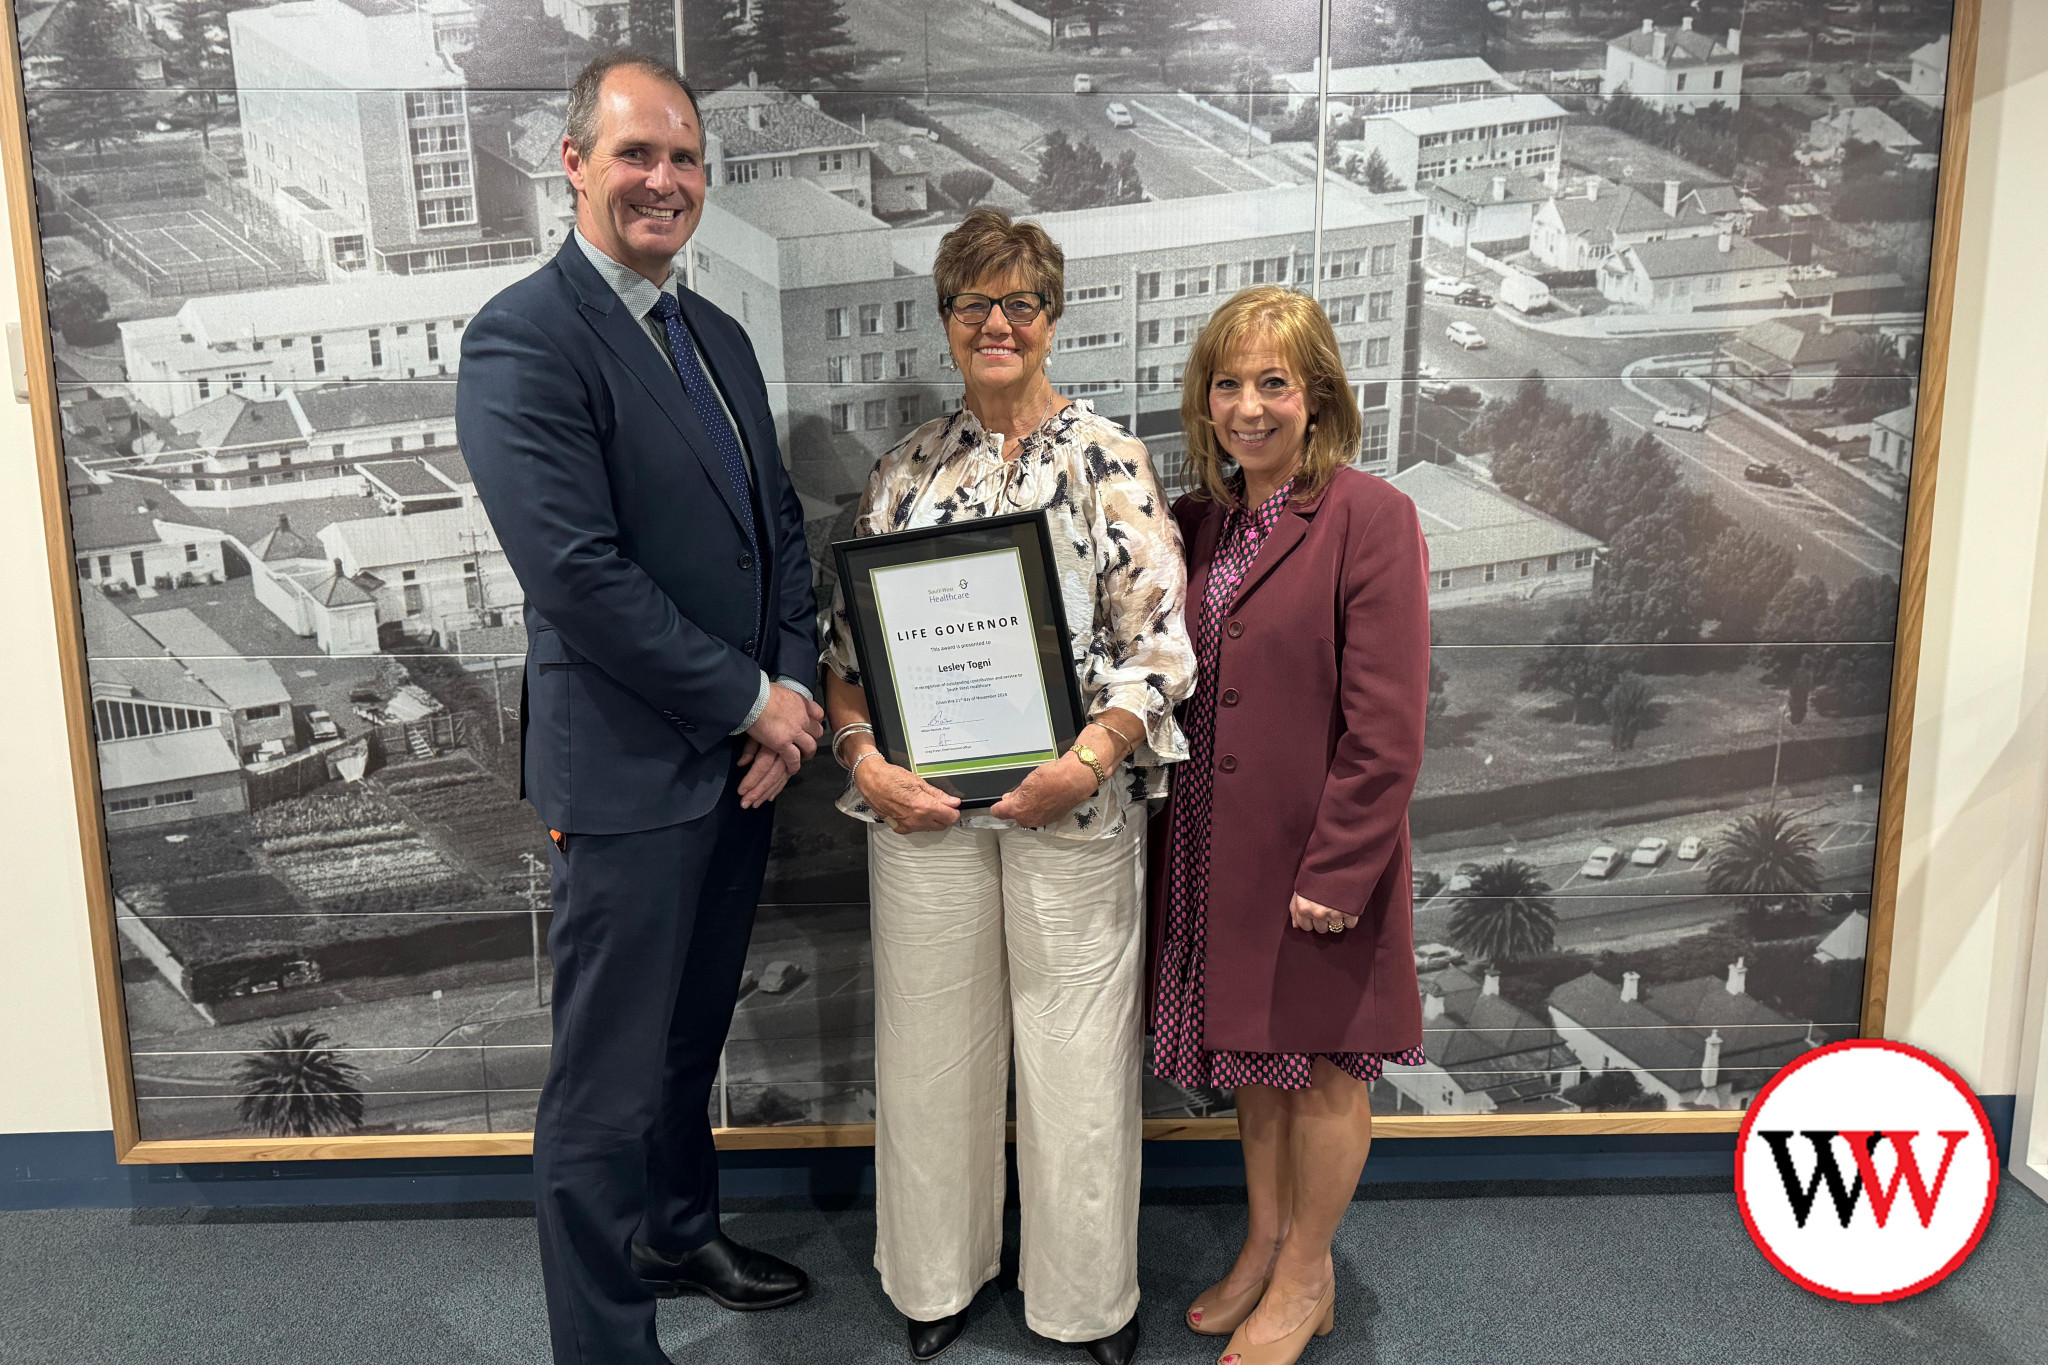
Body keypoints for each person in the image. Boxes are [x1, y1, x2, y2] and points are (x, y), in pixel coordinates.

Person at [455, 52, 825, 1365]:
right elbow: (579, 577)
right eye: (634, 154)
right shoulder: (523, 336)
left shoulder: (713, 334)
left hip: (738, 766)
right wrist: (750, 698)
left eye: (682, 158)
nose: (661, 179)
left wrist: (785, 693)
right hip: (625, 778)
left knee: (688, 1038)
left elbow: (773, 530)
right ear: (574, 164)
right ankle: (603, 1348)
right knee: (602, 1088)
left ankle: (679, 1229)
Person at [821, 207, 1196, 1365]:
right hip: (918, 812)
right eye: (973, 303)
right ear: (944, 322)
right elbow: (845, 660)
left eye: (1019, 302)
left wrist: (1082, 759)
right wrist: (863, 759)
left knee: (1075, 1059)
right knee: (930, 1056)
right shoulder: (901, 476)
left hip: (1071, 806)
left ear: (1051, 316)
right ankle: (934, 1281)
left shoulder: (1110, 463)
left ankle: (1083, 1303)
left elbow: (1159, 653)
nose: (997, 323)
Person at [1149, 286, 1431, 1365]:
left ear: (1316, 397)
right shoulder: (1197, 522)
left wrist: (1342, 868)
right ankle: (1264, 1246)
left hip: (1314, 861)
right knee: (1253, 1064)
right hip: (1216, 854)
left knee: (1321, 1073)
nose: (1249, 406)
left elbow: (1388, 723)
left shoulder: (1370, 515)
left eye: (1274, 382)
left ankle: (1309, 1276)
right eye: (1228, 383)